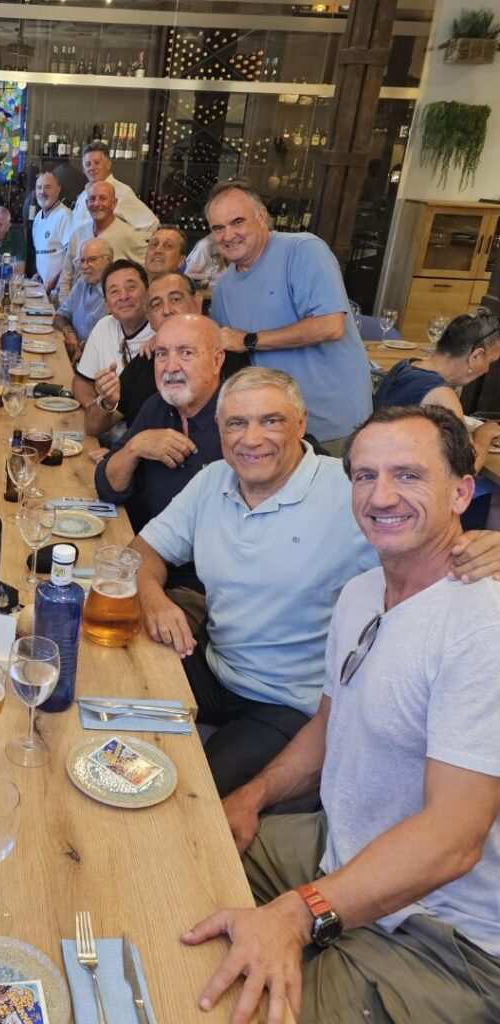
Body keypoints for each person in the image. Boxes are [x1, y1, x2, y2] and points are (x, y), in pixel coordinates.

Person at [183, 405, 500, 1024]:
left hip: (441, 934)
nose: (381, 496)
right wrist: (252, 796)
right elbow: (330, 727)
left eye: (408, 475)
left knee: (238, 1010)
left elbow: (454, 841)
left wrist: (297, 913)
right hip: (336, 848)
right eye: (364, 476)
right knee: (179, 855)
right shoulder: (360, 593)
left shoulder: (480, 628)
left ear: (463, 492)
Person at [130, 367, 500, 796]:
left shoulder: (357, 491)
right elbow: (141, 552)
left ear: (302, 423)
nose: (251, 438)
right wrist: (153, 598)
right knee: (113, 692)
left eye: (271, 421)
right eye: (237, 423)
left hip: (288, 705)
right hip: (215, 664)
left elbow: (434, 545)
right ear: (219, 428)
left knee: (190, 793)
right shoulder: (214, 479)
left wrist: (488, 546)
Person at [206, 179, 371, 447]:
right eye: (218, 228)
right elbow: (225, 350)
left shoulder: (303, 250)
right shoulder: (223, 288)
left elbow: (331, 326)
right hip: (273, 431)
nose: (228, 235)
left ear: (262, 218)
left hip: (334, 427)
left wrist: (250, 339)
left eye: (237, 222)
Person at [96, 313, 224, 531]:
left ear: (216, 361)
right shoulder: (157, 405)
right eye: (162, 354)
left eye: (186, 353)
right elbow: (108, 486)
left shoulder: (239, 421)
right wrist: (135, 446)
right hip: (146, 541)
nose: (170, 367)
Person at [374, 310, 500, 471]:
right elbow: (467, 467)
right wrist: (484, 434)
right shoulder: (441, 394)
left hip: (374, 464)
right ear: (476, 355)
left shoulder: (405, 365)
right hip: (400, 478)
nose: (487, 369)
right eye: (490, 362)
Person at [93, 270, 207, 434]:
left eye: (175, 299)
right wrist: (106, 402)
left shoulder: (225, 359)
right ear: (150, 319)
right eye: (156, 305)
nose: (166, 310)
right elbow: (93, 426)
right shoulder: (143, 363)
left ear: (197, 303)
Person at [73, 259, 154, 439]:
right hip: (104, 435)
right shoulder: (104, 326)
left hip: (141, 442)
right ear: (107, 305)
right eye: (114, 291)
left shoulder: (161, 334)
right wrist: (98, 409)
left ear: (148, 293)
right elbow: (81, 383)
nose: (123, 296)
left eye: (131, 287)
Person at [60, 181, 147, 300]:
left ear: (114, 203)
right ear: (86, 204)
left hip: (111, 309)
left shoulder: (128, 235)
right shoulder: (78, 234)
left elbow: (148, 270)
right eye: (92, 199)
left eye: (103, 198)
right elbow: (66, 275)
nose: (97, 203)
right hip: (78, 307)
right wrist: (64, 305)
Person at [70, 142, 157, 237]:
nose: (92, 168)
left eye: (97, 163)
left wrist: (127, 242)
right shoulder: (84, 194)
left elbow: (151, 223)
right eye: (87, 164)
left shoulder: (121, 192)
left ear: (108, 165)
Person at [53, 236, 112, 364]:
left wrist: (85, 348)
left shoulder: (115, 292)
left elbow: (113, 339)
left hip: (100, 364)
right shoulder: (81, 283)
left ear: (109, 260)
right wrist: (69, 331)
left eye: (92, 260)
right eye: (82, 261)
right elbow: (59, 316)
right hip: (75, 358)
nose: (84, 266)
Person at [31, 170, 73, 297]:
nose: (42, 192)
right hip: (45, 289)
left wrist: (54, 281)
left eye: (47, 187)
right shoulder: (38, 217)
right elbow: (45, 253)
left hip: (60, 290)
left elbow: (71, 256)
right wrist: (39, 275)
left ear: (58, 189)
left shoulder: (64, 215)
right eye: (39, 187)